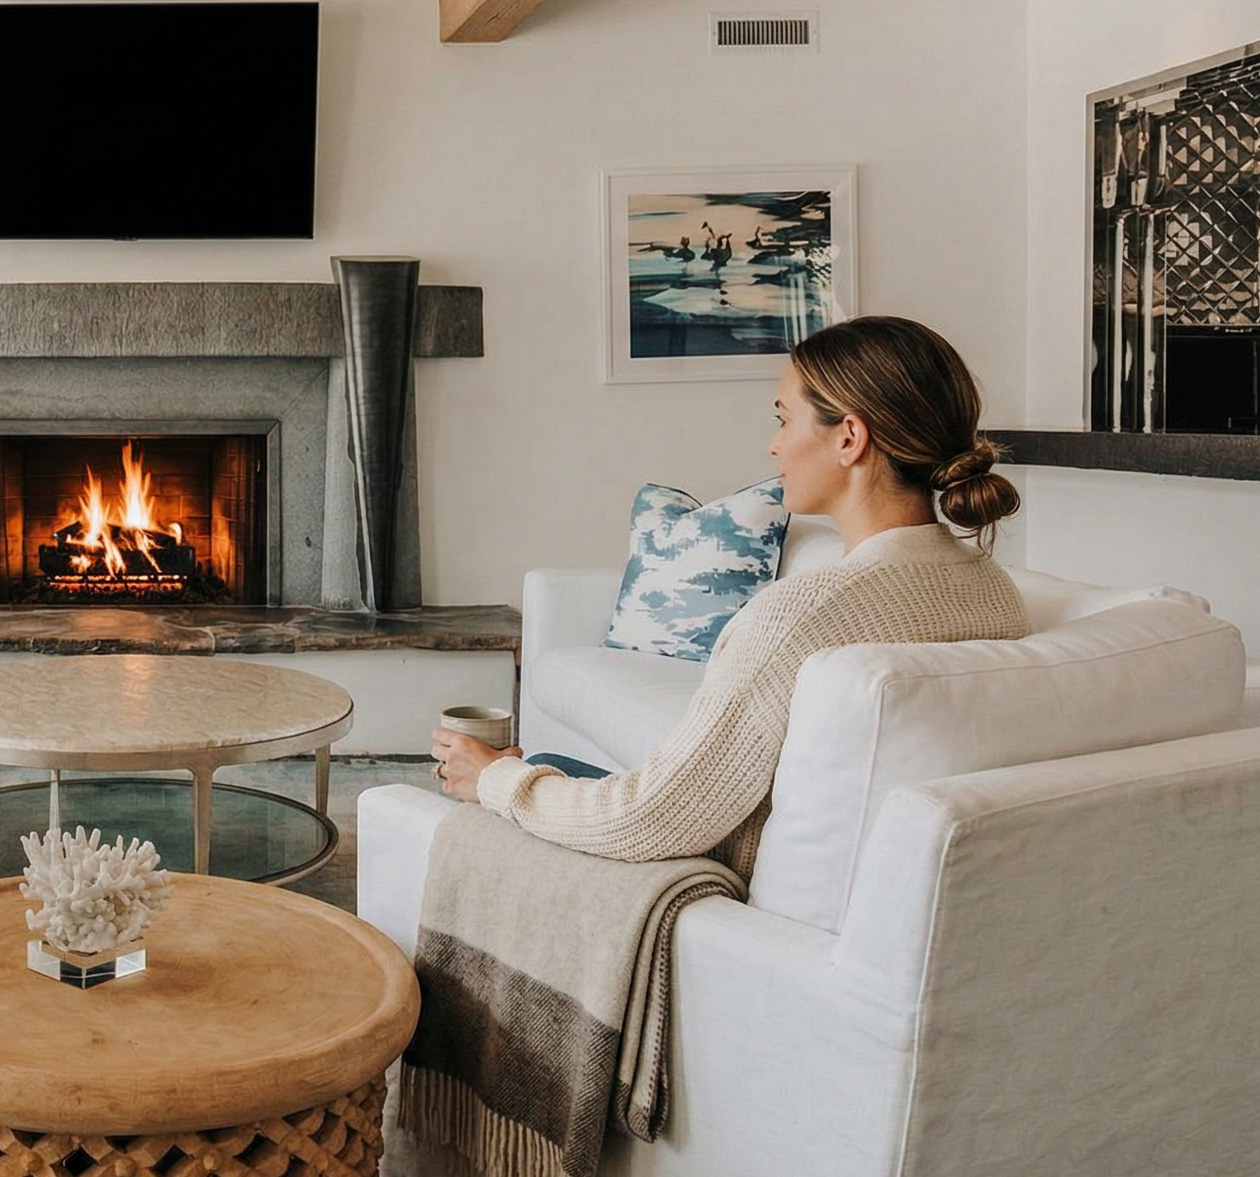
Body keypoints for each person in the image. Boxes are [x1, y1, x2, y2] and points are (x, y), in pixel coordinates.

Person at [431, 316, 1030, 873]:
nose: (773, 446)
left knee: (493, 796)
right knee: (543, 770)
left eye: (783, 419)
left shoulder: (798, 618)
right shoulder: (992, 591)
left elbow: (649, 820)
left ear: (849, 438)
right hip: (890, 876)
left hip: (731, 878)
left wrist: (496, 783)